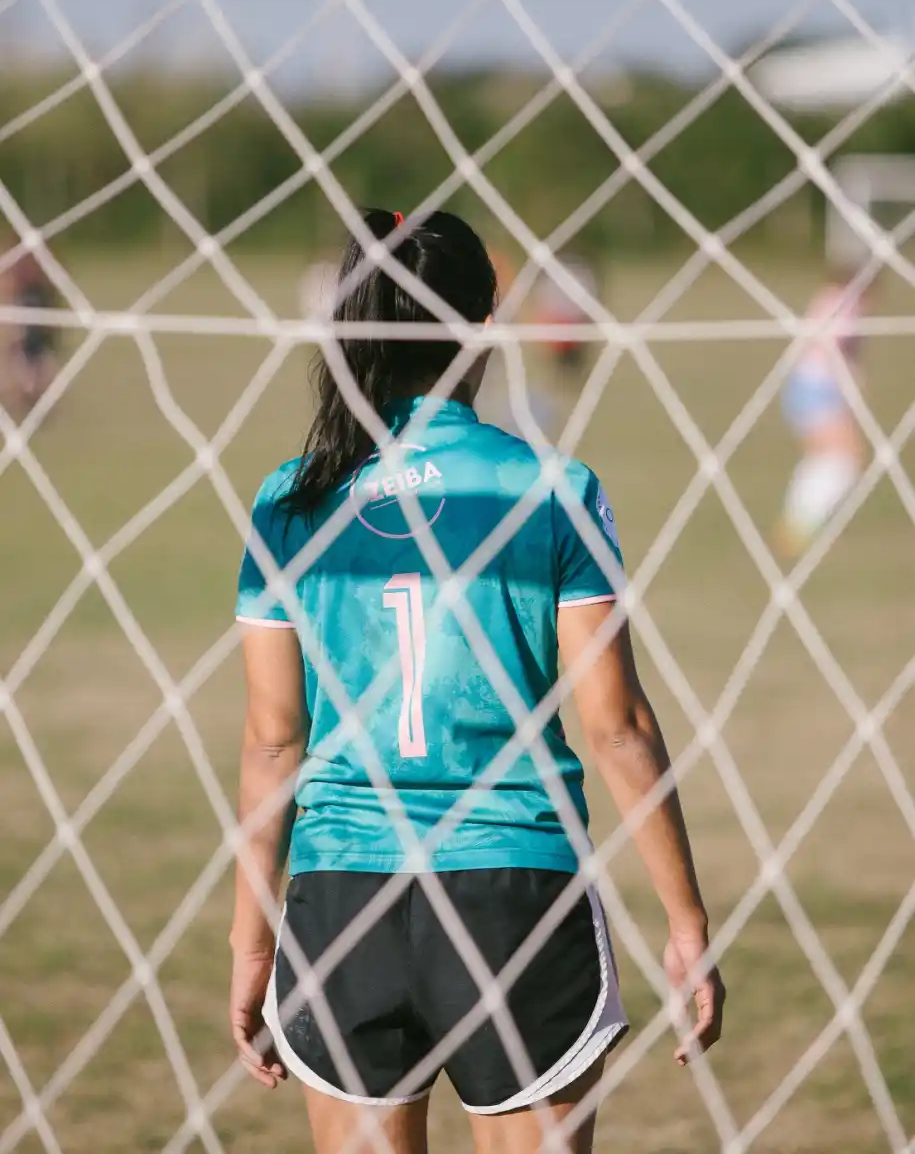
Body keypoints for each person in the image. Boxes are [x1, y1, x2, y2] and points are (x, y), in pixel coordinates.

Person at [231, 209, 724, 1154]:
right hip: (514, 895)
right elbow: (614, 725)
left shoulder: (291, 498)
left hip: (343, 900)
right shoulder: (550, 487)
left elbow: (271, 741)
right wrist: (685, 920)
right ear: (483, 329)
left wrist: (252, 944)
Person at [776, 267, 874, 557]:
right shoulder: (848, 304)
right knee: (844, 457)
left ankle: (799, 525)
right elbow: (836, 346)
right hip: (815, 387)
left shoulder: (831, 296)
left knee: (835, 456)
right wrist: (851, 377)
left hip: (809, 384)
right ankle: (797, 526)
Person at [0, 249, 58, 419]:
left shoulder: (37, 293)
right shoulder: (17, 296)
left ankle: (35, 404)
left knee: (39, 376)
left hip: (34, 344)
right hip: (21, 347)